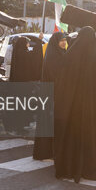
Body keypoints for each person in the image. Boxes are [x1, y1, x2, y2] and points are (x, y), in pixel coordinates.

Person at [53, 26, 96, 183]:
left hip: (72, 105)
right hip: (91, 105)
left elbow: (62, 81)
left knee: (71, 137)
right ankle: (87, 167)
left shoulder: (71, 54)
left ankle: (68, 166)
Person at [33, 32, 67, 161]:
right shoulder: (53, 56)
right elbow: (55, 77)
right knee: (48, 123)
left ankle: (52, 151)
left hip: (57, 94)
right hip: (51, 94)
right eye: (61, 41)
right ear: (55, 42)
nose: (63, 42)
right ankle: (45, 153)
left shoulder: (61, 53)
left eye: (64, 40)